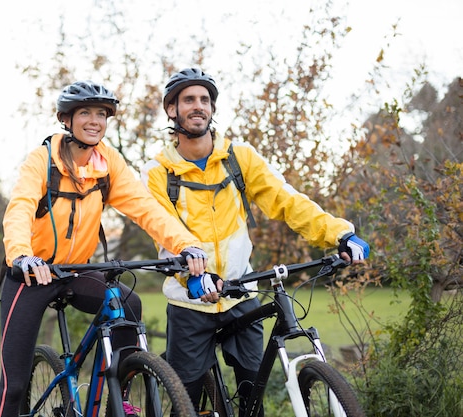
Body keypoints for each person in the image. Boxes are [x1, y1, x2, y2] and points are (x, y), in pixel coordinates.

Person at [141, 68, 370, 417]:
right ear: (172, 110)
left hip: (240, 293)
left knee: (253, 398)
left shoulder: (239, 158)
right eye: (189, 100)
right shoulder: (158, 172)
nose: (198, 106)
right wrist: (192, 276)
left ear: (212, 109)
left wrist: (339, 233)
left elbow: (287, 200)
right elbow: (163, 230)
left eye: (205, 99)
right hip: (190, 303)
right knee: (183, 404)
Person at [0, 80, 208, 417]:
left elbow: (145, 208)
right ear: (67, 119)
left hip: (75, 270)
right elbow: (18, 209)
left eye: (102, 114)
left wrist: (187, 245)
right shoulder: (42, 160)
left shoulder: (107, 163)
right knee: (14, 384)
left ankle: (114, 399)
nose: (95, 121)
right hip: (31, 274)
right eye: (86, 113)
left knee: (127, 303)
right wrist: (21, 256)